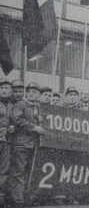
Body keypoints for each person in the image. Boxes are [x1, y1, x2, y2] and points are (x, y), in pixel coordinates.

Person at [10, 82, 46, 207]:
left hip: (33, 145)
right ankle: (18, 201)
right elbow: (17, 120)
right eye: (29, 91)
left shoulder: (38, 107)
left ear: (39, 95)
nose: (31, 94)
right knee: (18, 173)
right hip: (21, 144)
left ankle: (26, 200)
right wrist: (34, 127)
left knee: (29, 173)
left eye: (34, 92)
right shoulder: (20, 105)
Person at [0, 79, 15, 207]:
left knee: (4, 169)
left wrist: (11, 127)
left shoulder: (11, 105)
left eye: (7, 88)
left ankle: (1, 198)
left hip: (7, 140)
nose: (4, 90)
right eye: (2, 88)